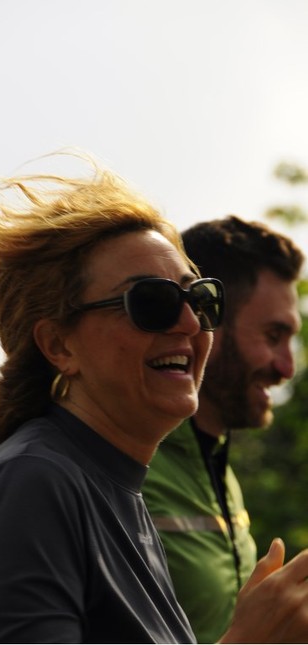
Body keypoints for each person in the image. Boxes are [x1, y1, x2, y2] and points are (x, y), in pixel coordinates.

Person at [0, 159, 308, 644]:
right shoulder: (33, 484)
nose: (189, 323)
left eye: (200, 300)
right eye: (152, 303)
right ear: (59, 345)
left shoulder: (111, 488)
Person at [142, 215, 305, 643]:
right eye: (273, 335)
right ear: (207, 319)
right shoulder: (126, 467)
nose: (287, 367)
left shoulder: (221, 471)